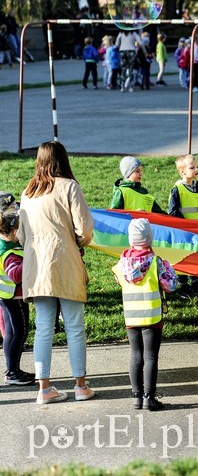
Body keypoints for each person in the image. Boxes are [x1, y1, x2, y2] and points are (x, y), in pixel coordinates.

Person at [18, 141, 95, 404]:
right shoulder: (70, 187)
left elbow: (21, 235)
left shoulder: (28, 192)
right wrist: (77, 242)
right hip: (65, 261)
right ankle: (80, 386)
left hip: (36, 266)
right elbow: (84, 230)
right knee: (75, 327)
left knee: (42, 329)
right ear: (63, 159)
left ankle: (44, 389)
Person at [112, 218, 178, 411]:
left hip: (131, 316)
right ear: (150, 238)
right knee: (150, 357)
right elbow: (171, 285)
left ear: (131, 239)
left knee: (135, 355)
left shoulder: (122, 263)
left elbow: (118, 280)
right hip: (151, 316)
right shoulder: (156, 262)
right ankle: (149, 397)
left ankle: (136, 397)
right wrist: (169, 267)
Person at [168, 154, 198, 298]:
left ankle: (195, 282)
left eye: (197, 167)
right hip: (184, 232)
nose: (196, 169)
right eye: (192, 167)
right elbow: (173, 212)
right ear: (182, 171)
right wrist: (185, 225)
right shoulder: (177, 190)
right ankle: (183, 285)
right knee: (184, 257)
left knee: (197, 256)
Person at [0, 192, 35, 385]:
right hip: (13, 297)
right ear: (14, 232)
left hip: (5, 296)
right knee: (19, 332)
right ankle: (12, 373)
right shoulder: (10, 252)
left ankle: (13, 369)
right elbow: (15, 274)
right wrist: (29, 256)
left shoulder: (3, 242)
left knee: (12, 333)